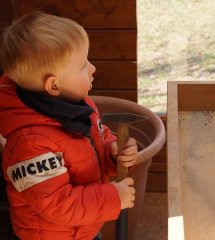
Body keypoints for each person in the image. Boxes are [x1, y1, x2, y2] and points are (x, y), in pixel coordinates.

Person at [0, 11, 137, 240]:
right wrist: (113, 197)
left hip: (83, 226)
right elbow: (57, 203)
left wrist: (113, 153)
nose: (92, 68)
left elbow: (95, 141)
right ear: (53, 85)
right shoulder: (30, 144)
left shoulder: (78, 106)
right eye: (83, 65)